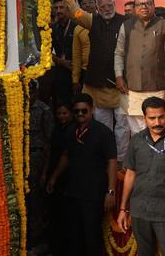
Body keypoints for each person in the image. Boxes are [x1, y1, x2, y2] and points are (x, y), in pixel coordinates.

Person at [56, 0, 130, 163]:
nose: (107, 9)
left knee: (122, 127)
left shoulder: (126, 23)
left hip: (121, 85)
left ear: (114, 5)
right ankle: (105, 159)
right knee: (103, 127)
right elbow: (75, 12)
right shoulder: (91, 21)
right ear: (97, 7)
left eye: (110, 5)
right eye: (103, 6)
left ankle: (121, 161)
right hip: (97, 85)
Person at [117, 97, 165, 256]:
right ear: (144, 118)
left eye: (161, 117)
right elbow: (130, 175)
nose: (157, 122)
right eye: (152, 118)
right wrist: (123, 208)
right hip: (140, 211)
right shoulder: (137, 140)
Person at [46, 94, 117, 256]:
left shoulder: (103, 132)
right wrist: (54, 177)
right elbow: (66, 155)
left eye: (84, 111)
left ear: (92, 109)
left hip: (93, 194)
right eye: (76, 111)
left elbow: (112, 162)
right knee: (74, 236)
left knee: (92, 237)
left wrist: (111, 191)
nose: (80, 114)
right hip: (72, 192)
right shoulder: (71, 130)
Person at [114, 0, 165, 136]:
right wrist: (119, 76)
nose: (144, 7)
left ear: (153, 5)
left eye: (148, 3)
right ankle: (139, 158)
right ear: (134, 7)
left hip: (158, 87)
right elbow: (119, 53)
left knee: (158, 128)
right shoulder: (126, 26)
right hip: (132, 88)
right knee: (136, 131)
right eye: (140, 4)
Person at [42, 103, 73, 256]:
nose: (62, 116)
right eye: (59, 113)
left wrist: (53, 178)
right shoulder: (56, 130)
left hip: (65, 177)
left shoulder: (73, 130)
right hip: (53, 174)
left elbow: (65, 156)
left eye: (65, 113)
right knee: (53, 212)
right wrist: (45, 174)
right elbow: (49, 150)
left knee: (65, 215)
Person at [27, 81, 54, 254]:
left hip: (37, 158)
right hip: (20, 158)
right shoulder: (17, 106)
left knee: (35, 201)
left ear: (37, 92)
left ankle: (36, 241)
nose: (29, 96)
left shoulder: (44, 111)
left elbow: (48, 144)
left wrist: (44, 172)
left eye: (32, 92)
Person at [51, 0, 76, 106]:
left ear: (68, 8)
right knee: (60, 105)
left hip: (77, 72)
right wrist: (61, 62)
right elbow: (45, 52)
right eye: (56, 8)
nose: (58, 11)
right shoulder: (52, 28)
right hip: (60, 72)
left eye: (61, 7)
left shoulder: (77, 26)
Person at [72, 0, 96, 93]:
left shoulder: (105, 23)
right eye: (84, 4)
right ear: (80, 7)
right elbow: (76, 56)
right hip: (86, 72)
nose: (88, 6)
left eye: (90, 2)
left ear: (96, 4)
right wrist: (75, 80)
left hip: (105, 71)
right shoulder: (78, 29)